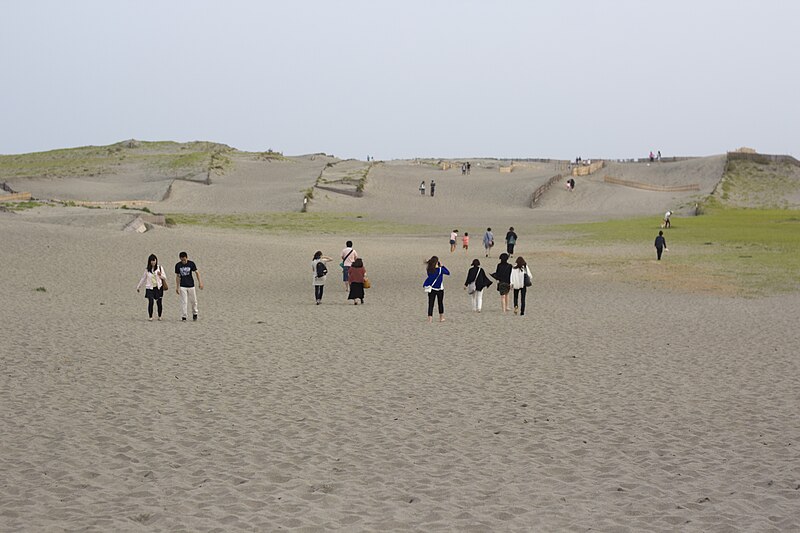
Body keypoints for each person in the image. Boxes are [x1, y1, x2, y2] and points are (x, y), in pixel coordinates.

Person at [136, 253, 169, 321]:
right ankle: (150, 317)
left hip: (158, 288)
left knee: (159, 302)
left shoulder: (160, 268)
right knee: (151, 301)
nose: (153, 262)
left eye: (154, 260)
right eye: (152, 261)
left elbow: (164, 277)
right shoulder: (147, 270)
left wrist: (160, 275)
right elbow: (143, 278)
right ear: (149, 261)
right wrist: (138, 286)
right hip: (150, 288)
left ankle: (159, 316)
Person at [175, 251, 203, 321]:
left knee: (193, 301)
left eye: (184, 260)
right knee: (184, 301)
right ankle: (184, 316)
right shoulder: (178, 265)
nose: (183, 261)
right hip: (182, 286)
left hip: (191, 285)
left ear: (187, 258)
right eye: (182, 260)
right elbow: (178, 276)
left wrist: (200, 282)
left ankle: (195, 313)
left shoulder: (191, 264)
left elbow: (196, 272)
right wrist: (177, 287)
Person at [423, 256, 449, 322]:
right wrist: (442, 266)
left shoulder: (429, 269)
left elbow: (430, 276)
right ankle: (441, 317)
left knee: (431, 303)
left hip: (431, 288)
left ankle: (430, 318)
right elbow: (448, 272)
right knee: (440, 303)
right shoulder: (440, 270)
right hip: (440, 288)